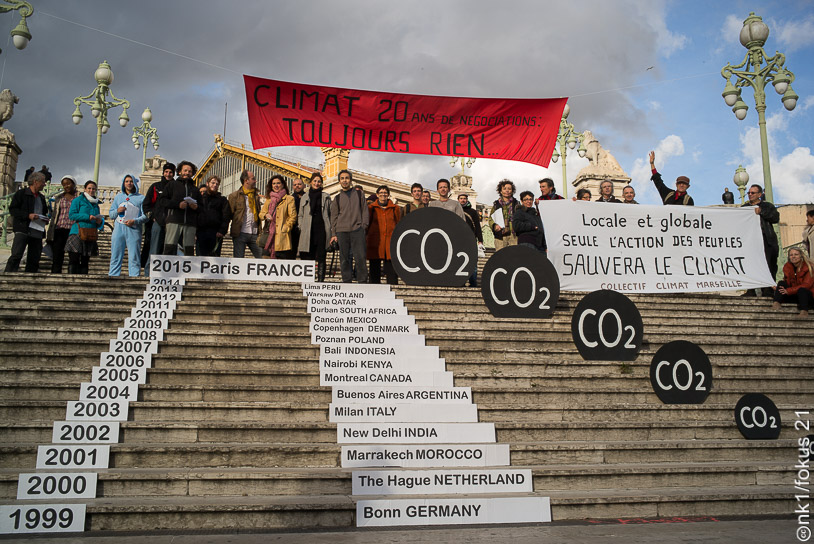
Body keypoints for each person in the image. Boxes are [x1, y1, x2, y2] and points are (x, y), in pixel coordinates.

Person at [4, 172, 49, 273]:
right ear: (35, 182)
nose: (44, 184)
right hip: (23, 228)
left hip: (37, 230)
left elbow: (44, 212)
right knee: (16, 254)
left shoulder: (41, 198)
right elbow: (13, 210)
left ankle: (31, 277)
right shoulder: (21, 193)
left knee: (34, 258)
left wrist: (45, 219)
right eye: (42, 182)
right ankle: (8, 275)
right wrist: (28, 215)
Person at [330, 169, 369, 283]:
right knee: (344, 258)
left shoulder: (359, 194)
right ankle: (346, 281)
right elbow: (334, 217)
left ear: (350, 180)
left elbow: (365, 211)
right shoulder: (337, 198)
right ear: (339, 181)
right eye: (342, 178)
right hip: (342, 231)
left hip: (357, 229)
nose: (344, 180)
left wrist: (363, 226)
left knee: (360, 257)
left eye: (347, 178)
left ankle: (362, 281)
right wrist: (334, 234)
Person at [743, 184, 780, 295]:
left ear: (759, 194)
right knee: (750, 264)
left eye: (753, 193)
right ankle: (750, 289)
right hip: (750, 241)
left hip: (766, 240)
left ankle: (768, 290)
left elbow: (775, 218)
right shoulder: (744, 208)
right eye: (749, 193)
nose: (750, 195)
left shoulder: (767, 206)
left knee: (768, 265)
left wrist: (762, 212)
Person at [109, 174, 147, 276]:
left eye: (131, 181)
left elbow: (146, 216)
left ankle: (134, 276)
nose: (129, 183)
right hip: (118, 229)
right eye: (127, 181)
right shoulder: (118, 197)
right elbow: (111, 214)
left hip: (133, 229)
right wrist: (117, 210)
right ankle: (113, 276)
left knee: (134, 256)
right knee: (115, 255)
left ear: (134, 183)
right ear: (123, 183)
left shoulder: (141, 198)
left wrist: (134, 221)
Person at [298, 172, 332, 281]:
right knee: (309, 254)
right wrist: (301, 226)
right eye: (315, 181)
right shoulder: (305, 197)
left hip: (322, 229)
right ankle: (309, 279)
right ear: (311, 182)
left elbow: (330, 213)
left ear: (321, 183)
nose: (317, 183)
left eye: (319, 181)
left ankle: (321, 280)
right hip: (308, 229)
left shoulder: (326, 197)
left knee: (322, 256)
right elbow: (300, 214)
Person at [142, 162, 175, 274]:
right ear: (163, 173)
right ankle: (148, 273)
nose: (168, 174)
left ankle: (167, 274)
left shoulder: (177, 187)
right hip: (158, 222)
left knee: (170, 250)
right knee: (154, 249)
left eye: (170, 172)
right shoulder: (156, 186)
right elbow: (146, 204)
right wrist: (152, 217)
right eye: (166, 172)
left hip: (172, 223)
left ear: (173, 173)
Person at [161, 160, 199, 256]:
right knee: (169, 247)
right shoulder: (172, 185)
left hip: (190, 223)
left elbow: (201, 207)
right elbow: (162, 200)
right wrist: (178, 205)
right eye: (185, 170)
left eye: (190, 171)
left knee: (189, 250)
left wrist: (196, 207)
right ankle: (167, 270)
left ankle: (188, 270)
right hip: (174, 221)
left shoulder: (195, 189)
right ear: (179, 172)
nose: (187, 173)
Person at [66, 180, 104, 274]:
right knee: (74, 258)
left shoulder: (96, 204)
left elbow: (98, 220)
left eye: (93, 189)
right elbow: (72, 215)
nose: (91, 190)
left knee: (85, 260)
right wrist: (88, 217)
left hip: (90, 233)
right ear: (85, 189)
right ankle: (71, 279)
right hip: (78, 232)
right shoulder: (77, 200)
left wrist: (99, 221)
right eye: (89, 188)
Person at [366, 185, 401, 284]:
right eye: (381, 193)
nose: (383, 195)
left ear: (388, 195)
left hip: (390, 242)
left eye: (385, 193)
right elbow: (367, 224)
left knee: (391, 269)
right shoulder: (371, 208)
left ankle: (393, 288)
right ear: (377, 195)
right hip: (375, 242)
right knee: (374, 268)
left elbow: (398, 223)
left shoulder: (395, 209)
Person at [259, 175, 297, 259]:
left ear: (283, 184)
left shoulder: (289, 199)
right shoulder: (268, 200)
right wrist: (265, 215)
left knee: (281, 262)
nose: (276, 185)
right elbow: (261, 214)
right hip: (268, 236)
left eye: (278, 183)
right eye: (274, 183)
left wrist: (285, 228)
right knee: (266, 261)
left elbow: (293, 216)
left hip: (282, 237)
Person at [227, 170, 263, 259]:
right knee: (239, 260)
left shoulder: (256, 196)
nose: (255, 181)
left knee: (263, 258)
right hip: (240, 233)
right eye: (253, 179)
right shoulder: (234, 196)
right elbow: (229, 214)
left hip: (255, 232)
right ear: (246, 180)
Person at [46, 176, 78, 273]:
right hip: (59, 229)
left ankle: (72, 276)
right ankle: (55, 274)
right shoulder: (59, 198)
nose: (66, 186)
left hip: (73, 230)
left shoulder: (79, 198)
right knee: (57, 255)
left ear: (74, 184)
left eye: (68, 183)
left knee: (74, 256)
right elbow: (55, 214)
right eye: (64, 184)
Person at [772, 247, 814, 318]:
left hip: (808, 297)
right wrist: (778, 288)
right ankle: (776, 303)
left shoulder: (809, 267)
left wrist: (789, 291)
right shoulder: (787, 267)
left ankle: (804, 311)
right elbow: (787, 283)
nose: (793, 256)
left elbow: (807, 285)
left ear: (801, 256)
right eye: (791, 255)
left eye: (796, 254)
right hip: (794, 295)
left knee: (802, 290)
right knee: (781, 283)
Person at [196, 175, 231, 257]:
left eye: (217, 184)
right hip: (201, 232)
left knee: (215, 257)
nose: (215, 185)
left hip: (216, 233)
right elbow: (195, 214)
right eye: (213, 183)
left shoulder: (222, 200)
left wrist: (222, 231)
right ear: (207, 184)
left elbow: (226, 216)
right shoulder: (200, 199)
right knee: (200, 257)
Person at [458, 193, 483, 287]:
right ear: (458, 199)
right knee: (459, 261)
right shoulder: (456, 210)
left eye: (464, 198)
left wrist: (480, 240)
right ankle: (461, 281)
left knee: (473, 262)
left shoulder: (472, 212)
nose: (463, 200)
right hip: (459, 240)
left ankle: (473, 282)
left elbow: (477, 226)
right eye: (461, 198)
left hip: (471, 239)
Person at [489, 179, 519, 250]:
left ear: (512, 191)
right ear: (500, 191)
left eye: (509, 189)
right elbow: (491, 218)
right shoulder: (496, 204)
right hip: (500, 234)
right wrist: (494, 225)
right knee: (500, 256)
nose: (507, 191)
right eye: (504, 189)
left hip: (513, 234)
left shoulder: (516, 204)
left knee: (514, 255)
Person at [290, 178, 306, 256]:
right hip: (293, 229)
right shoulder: (290, 199)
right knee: (292, 252)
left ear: (304, 185)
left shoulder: (308, 198)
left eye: (299, 184)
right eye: (295, 185)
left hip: (305, 229)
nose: (297, 186)